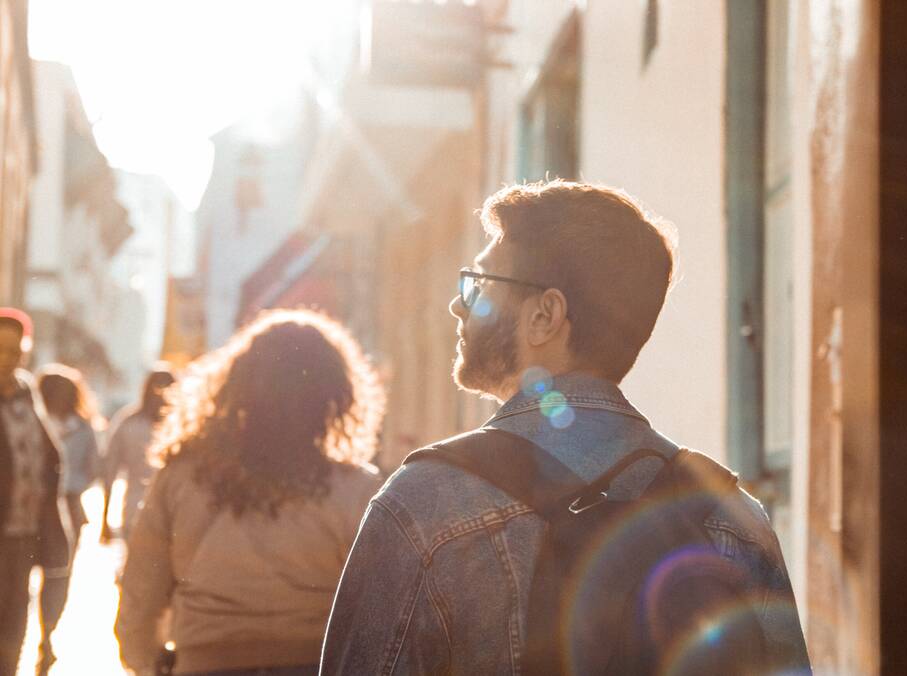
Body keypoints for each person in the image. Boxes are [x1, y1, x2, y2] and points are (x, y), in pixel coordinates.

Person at [320, 181, 811, 674]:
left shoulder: (426, 504)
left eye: (481, 284)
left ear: (545, 316)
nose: (458, 304)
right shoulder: (733, 516)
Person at [115, 309, 385, 676]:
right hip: (315, 664)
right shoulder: (357, 489)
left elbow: (141, 586)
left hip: (205, 663)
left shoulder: (182, 478)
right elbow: (381, 607)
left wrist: (146, 659)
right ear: (335, 396)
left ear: (238, 387)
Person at [0, 308, 70, 676]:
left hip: (25, 531)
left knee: (15, 618)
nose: (6, 359)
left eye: (14, 351)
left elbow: (47, 457)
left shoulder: (27, 393)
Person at [35, 364, 103, 674]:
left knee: (59, 576)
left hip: (69, 508)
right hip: (31, 508)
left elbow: (93, 467)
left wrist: (71, 487)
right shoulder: (33, 420)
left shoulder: (83, 428)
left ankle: (48, 633)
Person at [101, 365, 175, 541]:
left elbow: (109, 473)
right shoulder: (183, 425)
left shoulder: (128, 422)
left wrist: (104, 520)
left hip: (136, 512)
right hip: (173, 516)